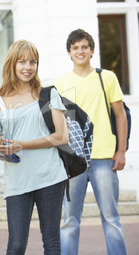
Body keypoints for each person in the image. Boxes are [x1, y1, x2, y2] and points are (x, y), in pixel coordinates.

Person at [0, 39, 69, 254]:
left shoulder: (48, 94)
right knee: (16, 244)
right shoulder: (0, 101)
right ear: (12, 65)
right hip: (17, 181)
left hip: (50, 176)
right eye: (22, 62)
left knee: (52, 241)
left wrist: (22, 145)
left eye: (32, 62)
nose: (28, 67)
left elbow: (61, 136)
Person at [55, 29, 128, 255]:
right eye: (75, 48)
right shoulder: (60, 84)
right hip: (74, 161)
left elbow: (120, 115)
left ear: (92, 50)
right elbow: (59, 126)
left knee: (111, 219)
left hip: (104, 157)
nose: (80, 51)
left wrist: (121, 151)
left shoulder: (106, 77)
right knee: (69, 221)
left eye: (84, 47)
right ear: (69, 52)